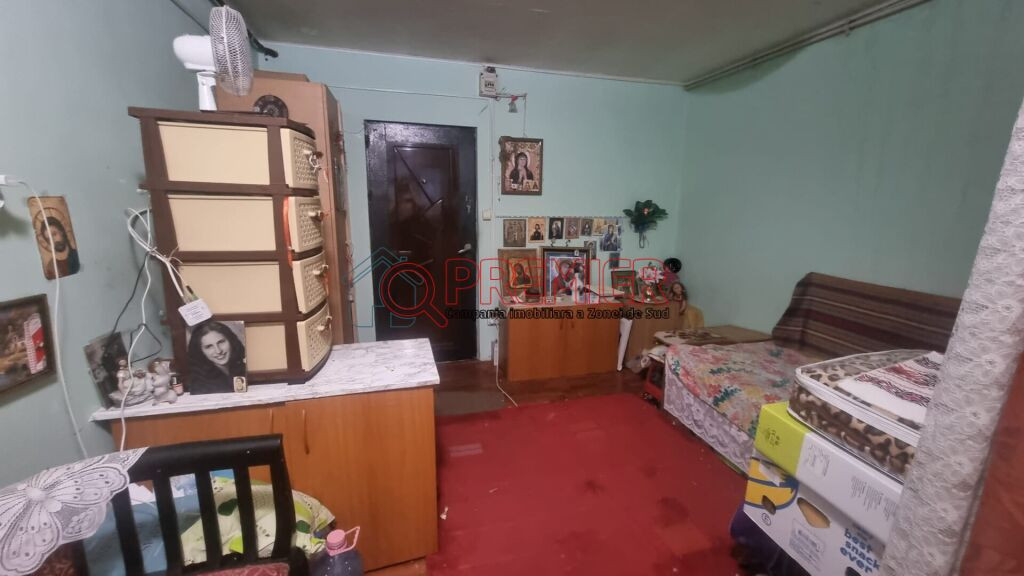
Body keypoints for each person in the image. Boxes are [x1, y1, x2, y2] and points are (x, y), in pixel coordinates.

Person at [187, 321, 246, 394]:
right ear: (200, 351)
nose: (218, 351)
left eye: (221, 342)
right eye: (209, 346)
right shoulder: (199, 383)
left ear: (231, 340)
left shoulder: (243, 367)